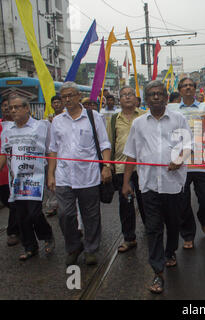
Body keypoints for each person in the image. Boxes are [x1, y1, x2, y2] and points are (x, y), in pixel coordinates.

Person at [122, 80, 191, 294]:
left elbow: (188, 146)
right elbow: (131, 154)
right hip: (149, 184)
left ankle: (170, 251)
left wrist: (179, 159)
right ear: (146, 99)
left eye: (159, 93)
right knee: (153, 228)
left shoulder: (179, 119)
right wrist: (125, 182)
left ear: (166, 97)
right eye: (151, 94)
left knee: (172, 224)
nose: (156, 97)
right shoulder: (139, 124)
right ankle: (157, 271)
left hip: (173, 184)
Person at [48, 81, 112, 266]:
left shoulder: (93, 117)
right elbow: (53, 149)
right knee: (65, 215)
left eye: (70, 95)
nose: (67, 99)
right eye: (64, 96)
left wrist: (106, 166)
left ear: (78, 96)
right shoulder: (57, 121)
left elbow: (104, 144)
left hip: (88, 176)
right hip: (64, 176)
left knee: (90, 216)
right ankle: (74, 246)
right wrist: (51, 174)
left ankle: (91, 249)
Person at [0, 95, 54, 260]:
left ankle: (47, 235)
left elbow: (51, 151)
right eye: (10, 108)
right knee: (21, 216)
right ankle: (30, 247)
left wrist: (51, 174)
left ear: (27, 108)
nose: (13, 110)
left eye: (17, 107)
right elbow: (4, 153)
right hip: (15, 181)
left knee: (34, 214)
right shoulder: (7, 130)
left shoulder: (42, 126)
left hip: (35, 179)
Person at [175, 77, 205, 249]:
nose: (188, 88)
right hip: (181, 161)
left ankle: (203, 218)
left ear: (196, 89)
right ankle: (188, 235)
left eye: (191, 85)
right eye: (184, 86)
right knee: (182, 202)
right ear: (179, 90)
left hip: (202, 160)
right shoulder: (173, 111)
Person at [107, 86, 146, 253]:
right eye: (123, 95)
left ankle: (152, 232)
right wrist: (108, 166)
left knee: (146, 203)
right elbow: (109, 144)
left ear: (136, 98)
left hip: (144, 167)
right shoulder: (114, 119)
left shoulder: (145, 115)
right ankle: (129, 238)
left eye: (130, 94)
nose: (127, 97)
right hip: (122, 169)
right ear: (119, 100)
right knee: (126, 204)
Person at [0, 97, 20, 246]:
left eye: (11, 106)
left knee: (15, 202)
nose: (8, 109)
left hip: (18, 174)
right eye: (5, 106)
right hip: (4, 171)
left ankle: (13, 231)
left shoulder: (23, 125)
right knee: (9, 201)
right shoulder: (2, 126)